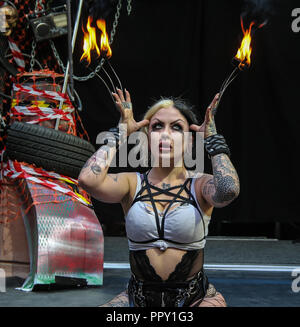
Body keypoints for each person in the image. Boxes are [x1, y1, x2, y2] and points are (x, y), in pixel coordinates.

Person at [78, 88, 240, 307]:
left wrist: (213, 142)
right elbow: (88, 181)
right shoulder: (130, 183)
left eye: (176, 127)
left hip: (195, 299)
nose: (165, 133)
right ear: (147, 138)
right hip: (137, 297)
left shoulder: (200, 185)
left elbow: (228, 190)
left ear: (190, 141)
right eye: (157, 126)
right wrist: (119, 133)